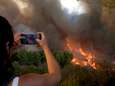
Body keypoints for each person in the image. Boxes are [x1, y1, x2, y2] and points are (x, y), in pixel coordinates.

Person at [0, 16, 61, 86]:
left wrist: (11, 47)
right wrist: (45, 46)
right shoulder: (23, 83)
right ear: (6, 45)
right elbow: (56, 77)